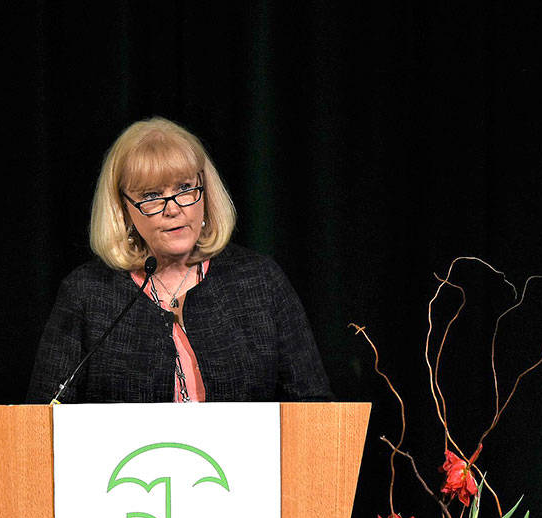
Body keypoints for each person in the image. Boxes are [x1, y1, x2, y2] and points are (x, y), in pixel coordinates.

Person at [27, 117, 332, 404]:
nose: (172, 209)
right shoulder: (88, 293)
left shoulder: (259, 281)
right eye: (151, 195)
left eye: (185, 188)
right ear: (123, 209)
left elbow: (314, 407)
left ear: (206, 190)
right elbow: (43, 420)